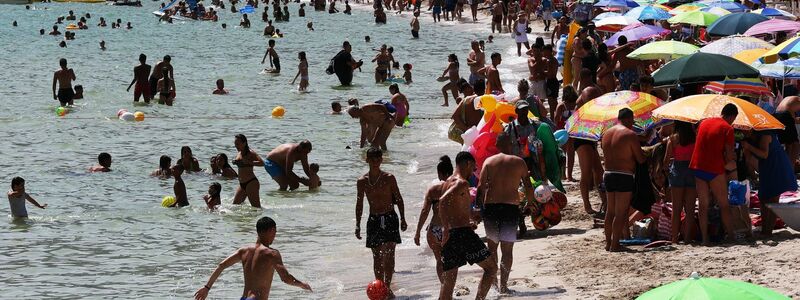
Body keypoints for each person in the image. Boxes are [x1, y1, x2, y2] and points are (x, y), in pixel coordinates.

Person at [193, 217, 312, 300]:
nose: (275, 236)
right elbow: (285, 278)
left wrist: (206, 288)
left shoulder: (244, 251)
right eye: (275, 232)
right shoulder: (272, 254)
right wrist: (302, 285)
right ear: (271, 230)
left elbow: (221, 265)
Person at [477, 131, 533, 293]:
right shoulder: (519, 162)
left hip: (492, 208)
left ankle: (493, 282)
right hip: (510, 208)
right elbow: (528, 186)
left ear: (496, 145)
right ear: (510, 144)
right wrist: (530, 204)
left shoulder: (489, 162)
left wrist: (480, 209)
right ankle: (504, 285)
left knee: (492, 249)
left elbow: (481, 188)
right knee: (507, 250)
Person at [438, 152, 495, 300]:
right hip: (462, 235)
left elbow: (454, 207)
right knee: (491, 268)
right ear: (467, 164)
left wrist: (471, 216)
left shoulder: (447, 182)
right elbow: (442, 201)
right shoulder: (462, 182)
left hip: (453, 234)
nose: (473, 171)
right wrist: (444, 229)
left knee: (448, 281)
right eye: (473, 167)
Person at [355, 147, 407, 299]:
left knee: (390, 254)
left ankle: (387, 287)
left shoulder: (389, 178)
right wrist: (358, 224)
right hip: (374, 220)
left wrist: (403, 218)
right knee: (377, 256)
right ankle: (379, 285)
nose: (376, 162)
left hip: (390, 217)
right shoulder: (362, 181)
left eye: (378, 159)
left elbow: (398, 198)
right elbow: (359, 204)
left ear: (381, 160)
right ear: (367, 160)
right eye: (373, 159)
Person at [690, 104, 739, 244]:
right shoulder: (728, 128)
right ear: (732, 116)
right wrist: (732, 158)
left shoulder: (704, 122)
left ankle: (705, 238)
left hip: (698, 165)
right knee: (724, 204)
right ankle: (731, 236)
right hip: (714, 168)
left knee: (703, 205)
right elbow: (729, 156)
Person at [601, 108, 645, 251]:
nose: (633, 124)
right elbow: (640, 159)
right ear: (628, 119)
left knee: (610, 211)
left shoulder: (606, 134)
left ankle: (608, 243)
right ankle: (615, 245)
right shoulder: (630, 134)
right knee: (621, 212)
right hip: (624, 175)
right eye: (632, 121)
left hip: (608, 174)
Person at [743, 128, 798, 237]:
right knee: (763, 197)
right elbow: (749, 160)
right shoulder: (748, 139)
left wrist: (749, 147)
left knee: (773, 199)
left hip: (777, 165)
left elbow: (764, 154)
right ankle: (765, 229)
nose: (744, 131)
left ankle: (768, 231)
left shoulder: (765, 134)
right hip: (766, 167)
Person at [414, 155, 453, 283]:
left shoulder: (433, 189)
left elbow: (425, 211)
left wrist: (418, 232)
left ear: (439, 173)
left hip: (434, 230)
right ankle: (448, 290)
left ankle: (443, 288)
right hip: (449, 229)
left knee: (439, 260)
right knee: (451, 261)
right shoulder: (457, 187)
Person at [663, 121, 697, 244]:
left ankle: (674, 238)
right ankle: (687, 238)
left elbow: (666, 161)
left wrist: (667, 171)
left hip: (677, 170)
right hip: (691, 170)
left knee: (676, 208)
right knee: (690, 208)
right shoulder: (695, 137)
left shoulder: (673, 139)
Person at [575, 87, 606, 214]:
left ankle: (604, 201)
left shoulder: (593, 106)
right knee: (586, 172)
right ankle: (587, 205)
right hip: (581, 137)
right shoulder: (582, 109)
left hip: (590, 138)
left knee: (599, 171)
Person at [542, 44, 559, 118]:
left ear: (548, 51)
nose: (543, 53)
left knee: (551, 103)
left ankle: (553, 118)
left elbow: (550, 74)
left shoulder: (549, 61)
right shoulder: (554, 59)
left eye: (544, 51)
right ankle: (558, 116)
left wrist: (542, 71)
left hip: (551, 82)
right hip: (555, 82)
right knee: (554, 102)